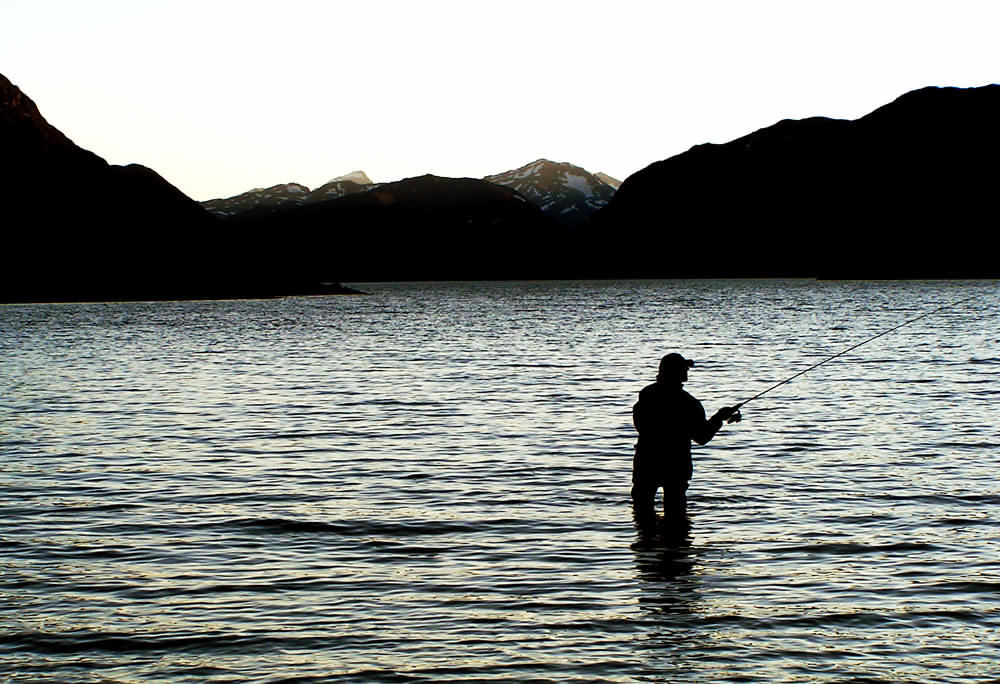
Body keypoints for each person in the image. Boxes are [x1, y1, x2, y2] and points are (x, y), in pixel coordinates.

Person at [632, 353, 741, 524]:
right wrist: (718, 418)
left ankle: (648, 546)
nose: (686, 372)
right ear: (676, 372)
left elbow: (642, 427)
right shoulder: (689, 403)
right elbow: (702, 437)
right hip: (676, 465)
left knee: (642, 513)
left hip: (646, 463)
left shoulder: (646, 396)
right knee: (676, 519)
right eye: (683, 368)